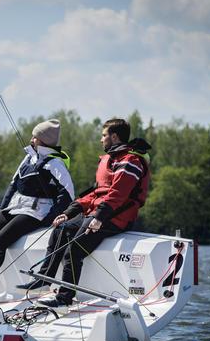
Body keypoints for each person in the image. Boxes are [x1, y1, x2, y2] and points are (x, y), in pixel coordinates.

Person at [21, 118, 151, 307]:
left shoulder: (130, 161)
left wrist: (99, 217)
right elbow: (95, 193)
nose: (101, 139)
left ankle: (64, 298)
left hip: (115, 218)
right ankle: (45, 277)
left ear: (114, 137)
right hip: (97, 212)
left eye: (104, 135)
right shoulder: (109, 159)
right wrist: (70, 212)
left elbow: (118, 195)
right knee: (61, 229)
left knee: (73, 251)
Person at [0, 119, 74, 287]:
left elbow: (68, 192)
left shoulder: (55, 163)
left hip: (35, 212)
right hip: (15, 207)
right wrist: (3, 209)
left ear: (43, 140)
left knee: (0, 240)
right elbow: (13, 185)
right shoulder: (28, 158)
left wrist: (52, 216)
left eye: (34, 137)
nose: (31, 139)